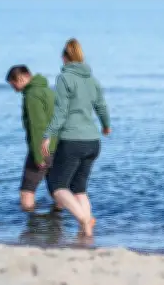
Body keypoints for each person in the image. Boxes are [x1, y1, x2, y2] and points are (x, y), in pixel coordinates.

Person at [41, 38, 110, 237]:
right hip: (93, 142)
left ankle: (85, 219)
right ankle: (86, 233)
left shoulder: (64, 78)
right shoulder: (92, 79)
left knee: (57, 186)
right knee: (79, 188)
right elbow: (101, 106)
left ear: (64, 57)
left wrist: (48, 134)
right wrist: (106, 125)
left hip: (72, 140)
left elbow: (61, 112)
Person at [6, 65, 57, 212]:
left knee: (27, 191)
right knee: (57, 190)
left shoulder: (32, 95)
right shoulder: (48, 91)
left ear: (21, 78)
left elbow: (37, 127)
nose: (14, 89)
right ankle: (59, 222)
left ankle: (31, 224)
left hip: (43, 148)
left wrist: (38, 156)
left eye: (13, 84)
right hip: (57, 147)